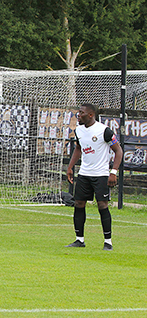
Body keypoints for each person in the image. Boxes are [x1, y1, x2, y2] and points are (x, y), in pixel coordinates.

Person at [66, 103, 123, 251]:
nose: (78, 115)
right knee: (79, 204)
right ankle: (79, 240)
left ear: (91, 115)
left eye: (81, 113)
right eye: (78, 112)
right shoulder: (79, 130)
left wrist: (113, 172)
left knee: (102, 205)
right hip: (84, 173)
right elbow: (78, 148)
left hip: (101, 174)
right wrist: (70, 167)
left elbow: (118, 151)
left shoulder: (104, 131)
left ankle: (108, 242)